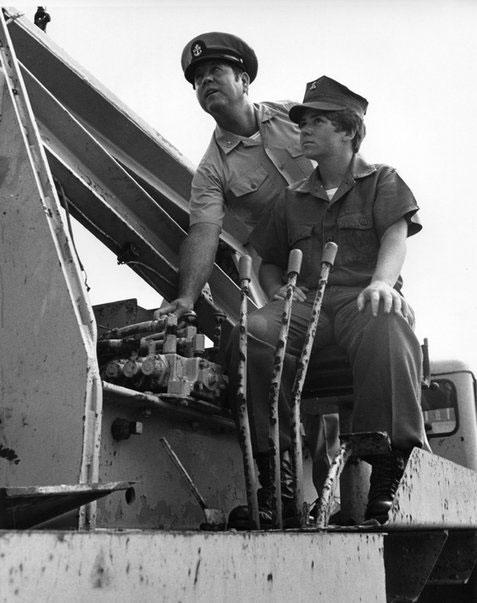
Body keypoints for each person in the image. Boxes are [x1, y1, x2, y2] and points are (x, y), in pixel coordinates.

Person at [228, 75, 429, 527]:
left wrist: (382, 284)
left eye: (317, 120)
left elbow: (396, 237)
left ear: (347, 129)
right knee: (252, 335)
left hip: (362, 298)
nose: (304, 129)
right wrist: (278, 292)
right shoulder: (290, 199)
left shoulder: (382, 181)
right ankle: (275, 481)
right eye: (302, 121)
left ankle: (388, 474)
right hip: (306, 304)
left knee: (388, 327)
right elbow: (267, 261)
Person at [157, 32, 313, 319]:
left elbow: (347, 161)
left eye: (215, 70)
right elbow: (204, 234)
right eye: (198, 78)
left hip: (349, 252)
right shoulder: (211, 171)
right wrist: (187, 298)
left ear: (243, 81)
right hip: (289, 279)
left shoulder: (294, 116)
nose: (205, 81)